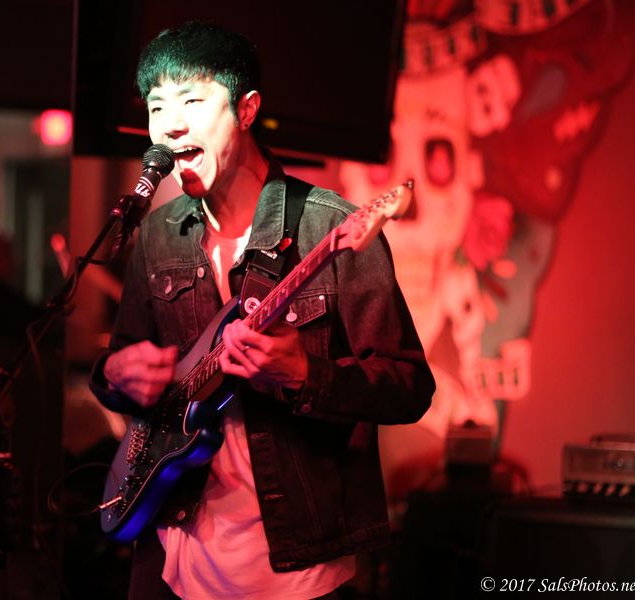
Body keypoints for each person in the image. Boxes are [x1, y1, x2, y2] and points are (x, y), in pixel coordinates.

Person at [88, 22, 436, 600]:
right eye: (156, 107)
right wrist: (116, 375)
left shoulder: (331, 226)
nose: (170, 124)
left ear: (247, 110)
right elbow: (124, 363)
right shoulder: (158, 234)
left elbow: (409, 386)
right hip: (172, 551)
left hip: (295, 565)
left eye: (192, 102)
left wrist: (304, 375)